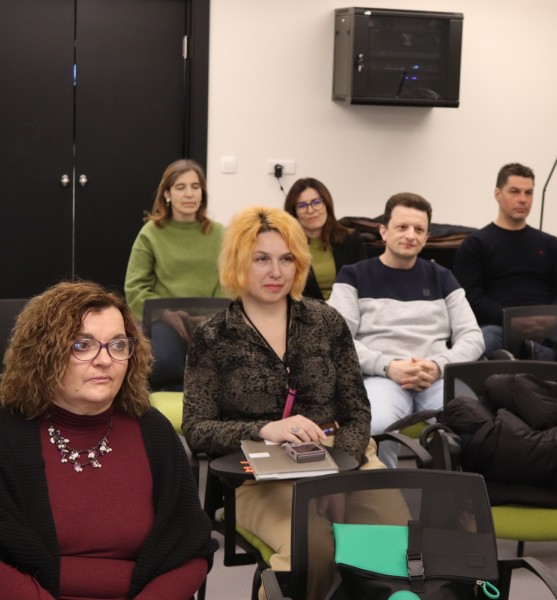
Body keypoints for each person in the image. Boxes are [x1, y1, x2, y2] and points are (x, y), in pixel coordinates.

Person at [182, 207, 385, 582]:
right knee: (312, 548)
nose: (276, 272)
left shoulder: (326, 321)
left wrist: (342, 471)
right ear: (239, 262)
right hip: (258, 476)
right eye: (261, 259)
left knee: (394, 543)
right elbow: (197, 429)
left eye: (287, 259)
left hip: (343, 455)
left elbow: (357, 411)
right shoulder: (213, 337)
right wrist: (263, 429)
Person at [0, 281, 216, 600]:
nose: (105, 360)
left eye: (117, 345)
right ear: (43, 353)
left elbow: (192, 548)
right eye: (82, 345)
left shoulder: (153, 431)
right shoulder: (8, 433)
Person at [328, 193, 484, 467]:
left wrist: (437, 365)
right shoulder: (353, 276)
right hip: (381, 377)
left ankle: (459, 490)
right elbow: (339, 340)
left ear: (426, 237)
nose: (411, 235)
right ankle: (384, 490)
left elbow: (472, 337)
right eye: (402, 227)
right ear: (383, 231)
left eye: (419, 230)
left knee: (477, 425)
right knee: (374, 427)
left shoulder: (443, 277)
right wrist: (388, 366)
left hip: (435, 377)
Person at [452, 162, 557, 357]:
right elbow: (469, 297)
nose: (523, 199)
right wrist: (512, 319)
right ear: (497, 194)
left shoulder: (550, 244)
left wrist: (552, 318)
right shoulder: (475, 244)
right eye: (514, 192)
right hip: (498, 328)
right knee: (476, 345)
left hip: (549, 329)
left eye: (529, 193)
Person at [124, 159, 227, 384]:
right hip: (164, 320)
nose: (189, 194)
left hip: (212, 319)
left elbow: (230, 281)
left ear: (202, 194)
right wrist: (167, 314)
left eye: (195, 187)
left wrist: (210, 317)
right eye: (181, 187)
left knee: (223, 367)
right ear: (167, 194)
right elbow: (134, 287)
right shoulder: (151, 233)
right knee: (164, 363)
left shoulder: (221, 233)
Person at [284, 177, 366, 300]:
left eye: (316, 202)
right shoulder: (287, 246)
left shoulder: (350, 239)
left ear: (326, 204)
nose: (310, 210)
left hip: (348, 307)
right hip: (306, 309)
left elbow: (364, 282)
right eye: (302, 205)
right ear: (294, 212)